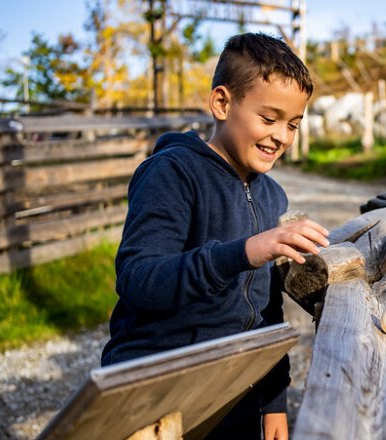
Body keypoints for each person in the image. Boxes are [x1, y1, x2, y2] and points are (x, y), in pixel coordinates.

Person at [101, 33, 329, 440]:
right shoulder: (172, 173)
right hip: (158, 389)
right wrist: (241, 253)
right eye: (268, 118)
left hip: (234, 392)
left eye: (293, 124)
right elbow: (138, 280)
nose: (281, 136)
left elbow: (266, 308)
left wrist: (273, 400)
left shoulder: (272, 193)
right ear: (222, 103)